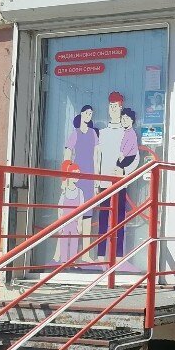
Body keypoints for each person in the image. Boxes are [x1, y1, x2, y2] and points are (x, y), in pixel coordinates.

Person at [95, 92, 137, 260]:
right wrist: (96, 180)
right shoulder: (102, 133)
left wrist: (125, 172)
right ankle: (100, 253)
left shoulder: (127, 132)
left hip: (119, 182)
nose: (113, 109)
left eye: (116, 106)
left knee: (119, 218)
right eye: (111, 106)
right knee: (103, 218)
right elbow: (97, 158)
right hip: (104, 182)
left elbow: (135, 157)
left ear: (121, 108)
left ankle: (118, 254)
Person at [64, 105, 99, 262]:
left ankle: (86, 253)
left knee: (87, 215)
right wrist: (66, 177)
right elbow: (67, 155)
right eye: (86, 113)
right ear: (81, 114)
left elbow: (97, 156)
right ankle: (69, 254)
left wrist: (97, 179)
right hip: (76, 176)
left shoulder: (93, 134)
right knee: (73, 214)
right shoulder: (75, 133)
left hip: (90, 176)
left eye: (91, 113)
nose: (88, 115)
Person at [53, 161, 84, 265]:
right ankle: (63, 261)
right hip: (64, 221)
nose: (77, 176)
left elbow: (82, 209)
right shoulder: (64, 191)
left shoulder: (80, 192)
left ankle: (73, 261)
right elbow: (60, 208)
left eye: (78, 173)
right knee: (64, 240)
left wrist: (80, 224)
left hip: (75, 221)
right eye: (75, 173)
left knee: (75, 241)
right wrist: (60, 223)